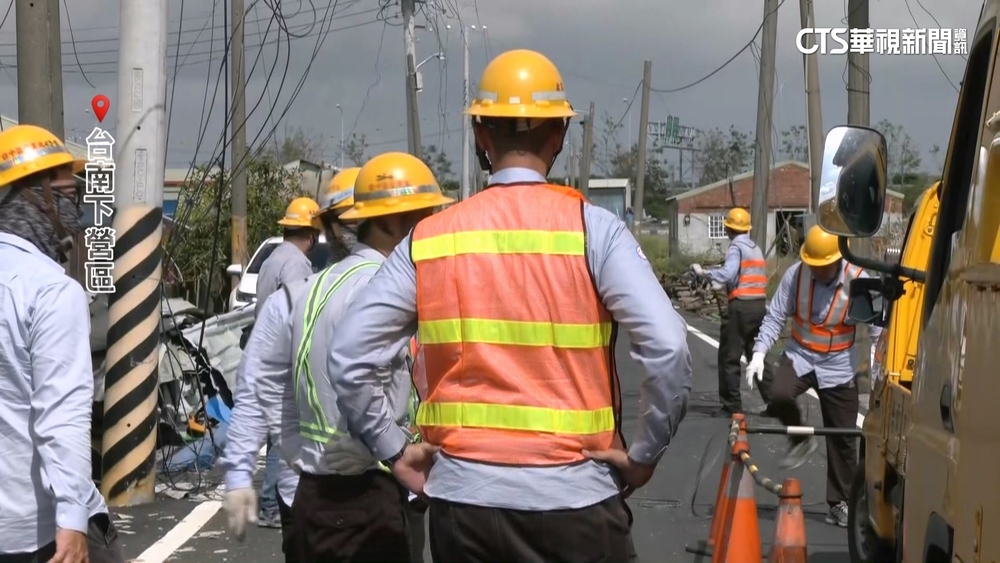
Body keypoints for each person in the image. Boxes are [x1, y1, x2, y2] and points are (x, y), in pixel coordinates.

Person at [328, 49, 692, 562]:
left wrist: (392, 450)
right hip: (577, 501)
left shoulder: (429, 239)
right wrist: (643, 455)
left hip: (464, 507)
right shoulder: (594, 230)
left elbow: (348, 355)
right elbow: (669, 347)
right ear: (559, 136)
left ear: (481, 134)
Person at [256, 152, 453, 562]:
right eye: (425, 217)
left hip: (313, 495)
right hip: (368, 494)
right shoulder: (387, 289)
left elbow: (279, 392)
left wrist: (300, 457)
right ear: (392, 222)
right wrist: (398, 454)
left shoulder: (311, 288)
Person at [0, 124, 124, 563]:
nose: (77, 203)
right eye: (67, 190)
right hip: (31, 529)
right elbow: (63, 415)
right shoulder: (51, 290)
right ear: (33, 197)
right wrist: (72, 520)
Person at [745, 225, 879, 528]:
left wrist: (877, 360)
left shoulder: (858, 281)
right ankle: (800, 437)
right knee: (778, 394)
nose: (817, 271)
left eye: (823, 265)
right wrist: (758, 353)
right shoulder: (796, 275)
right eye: (813, 265)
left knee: (843, 437)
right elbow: (776, 315)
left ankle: (840, 502)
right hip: (800, 355)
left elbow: (877, 328)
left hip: (838, 365)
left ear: (838, 258)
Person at [241, 195, 320, 529]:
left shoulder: (273, 259)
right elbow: (298, 315)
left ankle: (271, 502)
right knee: (283, 433)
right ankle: (273, 505)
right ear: (312, 233)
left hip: (265, 350)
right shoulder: (298, 265)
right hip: (283, 354)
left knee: (275, 431)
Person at [219, 290, 302, 561]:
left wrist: (240, 475)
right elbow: (257, 387)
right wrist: (239, 474)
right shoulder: (291, 299)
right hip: (308, 492)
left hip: (394, 486)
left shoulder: (291, 297)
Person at [691, 208, 773, 418]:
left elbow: (728, 273)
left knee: (729, 356)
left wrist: (704, 273)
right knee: (757, 354)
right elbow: (743, 274)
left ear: (728, 228)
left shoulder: (736, 247)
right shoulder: (755, 247)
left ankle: (732, 406)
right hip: (758, 307)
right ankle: (774, 402)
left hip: (741, 308)